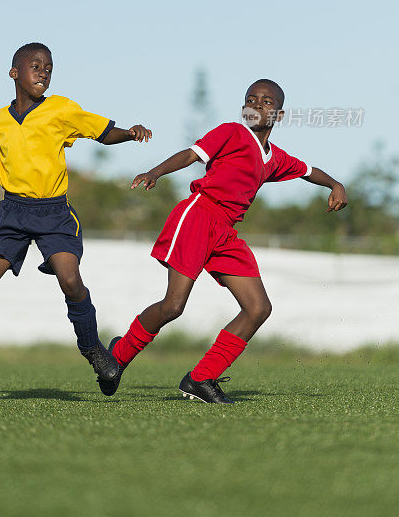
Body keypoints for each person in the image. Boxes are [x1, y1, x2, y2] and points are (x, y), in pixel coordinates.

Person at [0, 42, 152, 401]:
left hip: (54, 213)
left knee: (70, 280)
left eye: (49, 67)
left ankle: (93, 350)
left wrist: (129, 133)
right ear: (14, 73)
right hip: (11, 214)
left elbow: (103, 131)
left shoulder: (61, 109)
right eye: (35, 65)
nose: (43, 72)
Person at [100, 79, 347, 403]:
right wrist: (155, 172)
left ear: (280, 115)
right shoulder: (231, 132)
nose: (258, 105)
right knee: (174, 305)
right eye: (251, 99)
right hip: (198, 218)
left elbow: (307, 170)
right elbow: (191, 154)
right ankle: (119, 354)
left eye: (267, 101)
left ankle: (201, 378)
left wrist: (335, 184)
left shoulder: (273, 158)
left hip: (225, 233)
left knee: (258, 308)